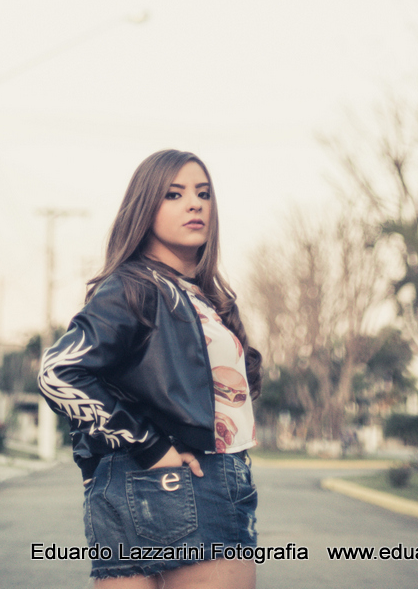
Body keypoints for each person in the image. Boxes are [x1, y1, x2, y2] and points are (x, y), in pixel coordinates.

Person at [37, 149, 262, 586]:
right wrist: (151, 446)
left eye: (203, 193)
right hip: (192, 479)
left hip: (125, 487)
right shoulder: (137, 286)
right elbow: (58, 373)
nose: (195, 203)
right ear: (144, 208)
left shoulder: (198, 296)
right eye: (174, 194)